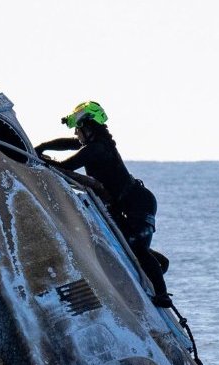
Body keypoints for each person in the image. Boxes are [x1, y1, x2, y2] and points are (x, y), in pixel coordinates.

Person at [34, 101, 172, 308]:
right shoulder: (95, 144)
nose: (76, 133)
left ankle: (162, 296)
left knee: (137, 248)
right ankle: (160, 263)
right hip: (125, 204)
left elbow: (66, 167)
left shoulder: (97, 148)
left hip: (139, 203)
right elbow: (70, 144)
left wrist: (40, 158)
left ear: (87, 128)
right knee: (129, 244)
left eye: (78, 129)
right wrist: (42, 147)